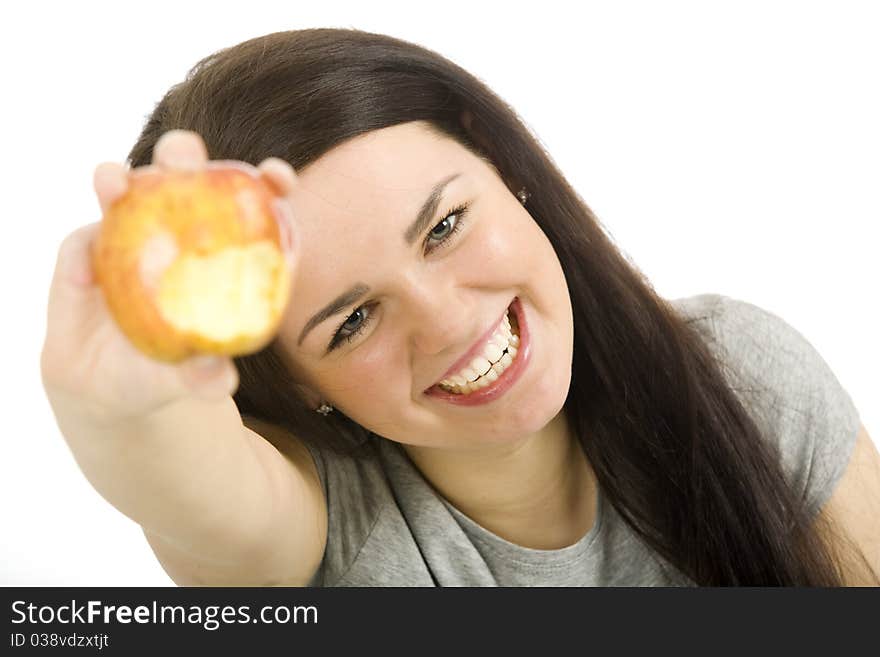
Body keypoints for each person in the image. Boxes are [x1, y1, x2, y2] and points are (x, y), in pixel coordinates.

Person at [41, 28, 880, 586]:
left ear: (502, 163)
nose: (445, 321)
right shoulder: (330, 536)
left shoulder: (745, 373)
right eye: (352, 320)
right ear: (300, 388)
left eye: (442, 226)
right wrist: (130, 410)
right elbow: (190, 485)